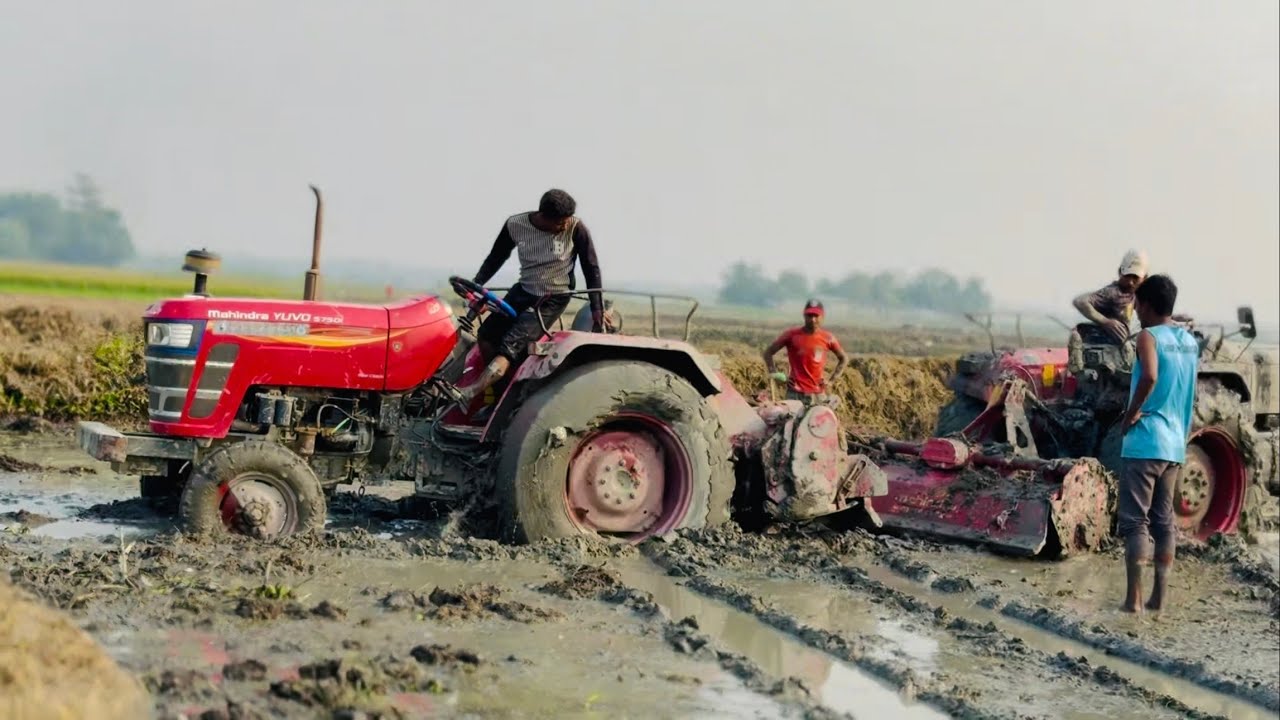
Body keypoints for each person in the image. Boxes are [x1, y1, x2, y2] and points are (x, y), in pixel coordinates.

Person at [457, 189, 604, 405]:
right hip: (524, 290)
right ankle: (499, 396)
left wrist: (597, 309)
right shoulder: (515, 225)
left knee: (510, 346)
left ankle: (470, 393)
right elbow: (496, 257)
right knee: (487, 335)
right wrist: (477, 284)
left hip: (553, 296)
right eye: (559, 222)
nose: (564, 225)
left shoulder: (575, 227)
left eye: (566, 221)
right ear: (543, 216)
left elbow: (591, 267)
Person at [1116, 274, 1198, 613]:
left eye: (1136, 303)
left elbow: (1149, 376)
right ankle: (1158, 599)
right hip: (1175, 445)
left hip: (1146, 441)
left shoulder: (1147, 337)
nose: (1134, 309)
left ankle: (1132, 600)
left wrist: (1130, 414)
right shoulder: (1189, 342)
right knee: (1164, 521)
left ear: (1146, 305)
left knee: (1136, 522)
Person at [762, 299, 848, 405]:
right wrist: (775, 374)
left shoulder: (828, 338)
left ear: (822, 317)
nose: (812, 320)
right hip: (794, 394)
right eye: (809, 316)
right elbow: (768, 353)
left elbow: (843, 358)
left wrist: (831, 381)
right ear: (804, 316)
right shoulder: (792, 335)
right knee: (789, 421)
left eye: (816, 316)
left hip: (818, 395)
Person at [1072, 249, 1148, 344]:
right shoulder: (1113, 292)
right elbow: (1080, 301)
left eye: (1135, 278)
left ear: (1144, 278)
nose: (1130, 282)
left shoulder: (1138, 295)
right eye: (1127, 276)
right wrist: (1105, 322)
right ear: (1120, 272)